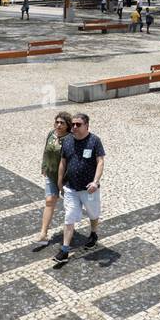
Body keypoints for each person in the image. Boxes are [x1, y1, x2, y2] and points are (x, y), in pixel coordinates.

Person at [53, 113, 105, 264]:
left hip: (89, 189)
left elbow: (100, 162)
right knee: (69, 217)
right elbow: (63, 162)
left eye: (78, 124)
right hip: (71, 187)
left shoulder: (94, 141)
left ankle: (93, 234)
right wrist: (59, 181)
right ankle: (64, 250)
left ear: (86, 125)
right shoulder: (68, 140)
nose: (74, 127)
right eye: (73, 124)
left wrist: (95, 182)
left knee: (93, 213)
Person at [32, 112, 74, 251]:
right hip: (51, 175)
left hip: (67, 178)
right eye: (57, 122)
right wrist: (44, 166)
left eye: (62, 123)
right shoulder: (51, 134)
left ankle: (70, 232)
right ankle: (43, 233)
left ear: (68, 125)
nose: (58, 125)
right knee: (49, 201)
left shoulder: (70, 139)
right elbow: (46, 151)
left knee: (70, 206)